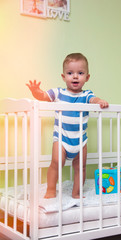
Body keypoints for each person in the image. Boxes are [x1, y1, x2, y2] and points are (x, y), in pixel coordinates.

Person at [26, 53, 109, 199]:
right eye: (70, 73)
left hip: (80, 140)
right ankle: (51, 189)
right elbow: (44, 96)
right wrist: (36, 92)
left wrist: (99, 101)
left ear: (87, 77)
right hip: (62, 138)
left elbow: (93, 99)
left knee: (80, 167)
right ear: (63, 77)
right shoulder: (58, 93)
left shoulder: (86, 95)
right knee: (56, 163)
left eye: (80, 73)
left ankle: (76, 193)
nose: (75, 77)